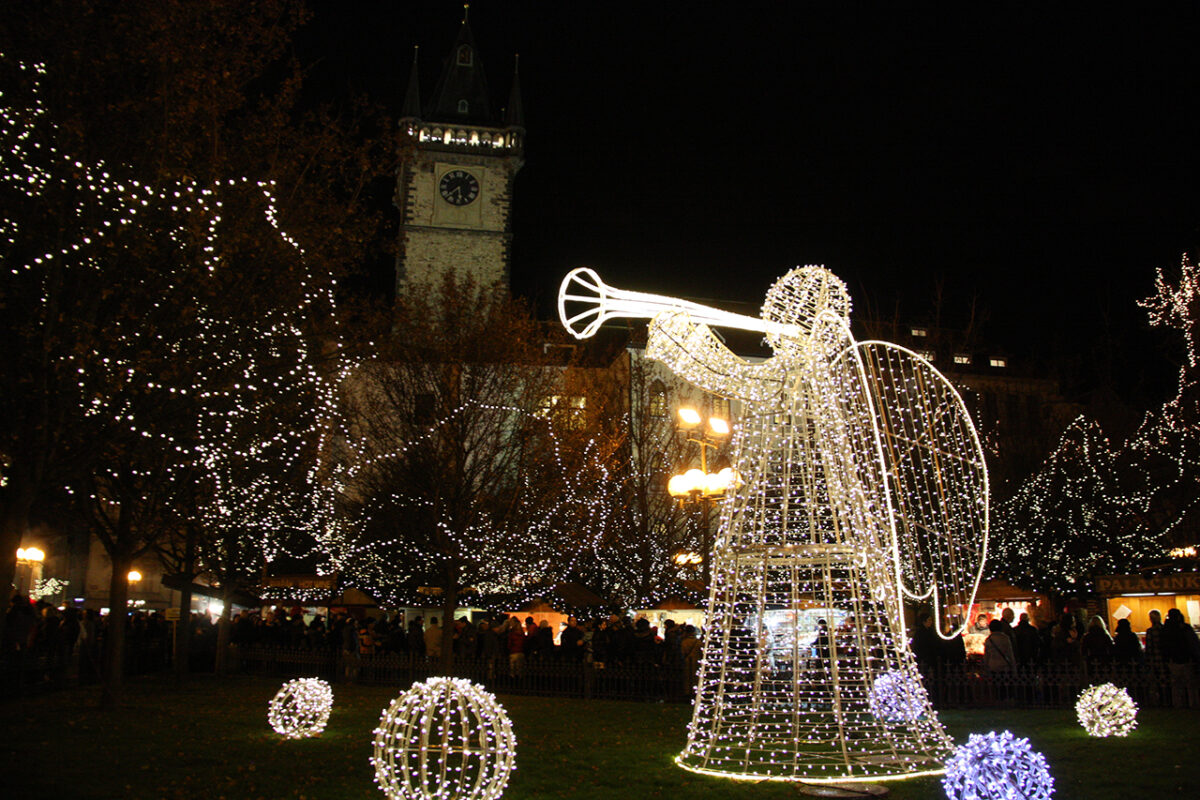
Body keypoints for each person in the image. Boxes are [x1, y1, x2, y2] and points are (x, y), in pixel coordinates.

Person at [1160, 608, 1200, 708]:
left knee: (1176, 685)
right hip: (1186, 659)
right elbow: (1193, 643)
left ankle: (1178, 703)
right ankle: (1192, 703)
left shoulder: (1166, 629)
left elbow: (1163, 645)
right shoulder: (1185, 628)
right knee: (1190, 684)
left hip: (1173, 660)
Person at [984, 619, 1016, 702]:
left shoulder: (989, 640)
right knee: (1005, 685)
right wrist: (1013, 666)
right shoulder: (1005, 638)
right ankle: (1005, 700)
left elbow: (987, 655)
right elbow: (1010, 653)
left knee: (996, 685)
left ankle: (997, 700)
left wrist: (986, 666)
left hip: (993, 665)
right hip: (1004, 665)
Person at [911, 611, 940, 677]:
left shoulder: (931, 630)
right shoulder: (920, 632)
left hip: (931, 656)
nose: (930, 622)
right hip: (924, 656)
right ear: (924, 621)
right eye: (929, 620)